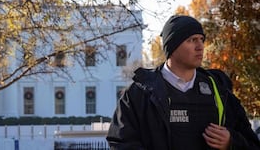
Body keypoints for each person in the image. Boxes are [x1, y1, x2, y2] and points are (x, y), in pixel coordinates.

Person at [106, 15, 260, 150]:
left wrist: (231, 142)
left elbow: (252, 144)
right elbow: (120, 142)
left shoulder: (220, 92)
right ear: (172, 47)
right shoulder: (138, 94)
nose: (200, 47)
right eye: (192, 40)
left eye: (201, 39)